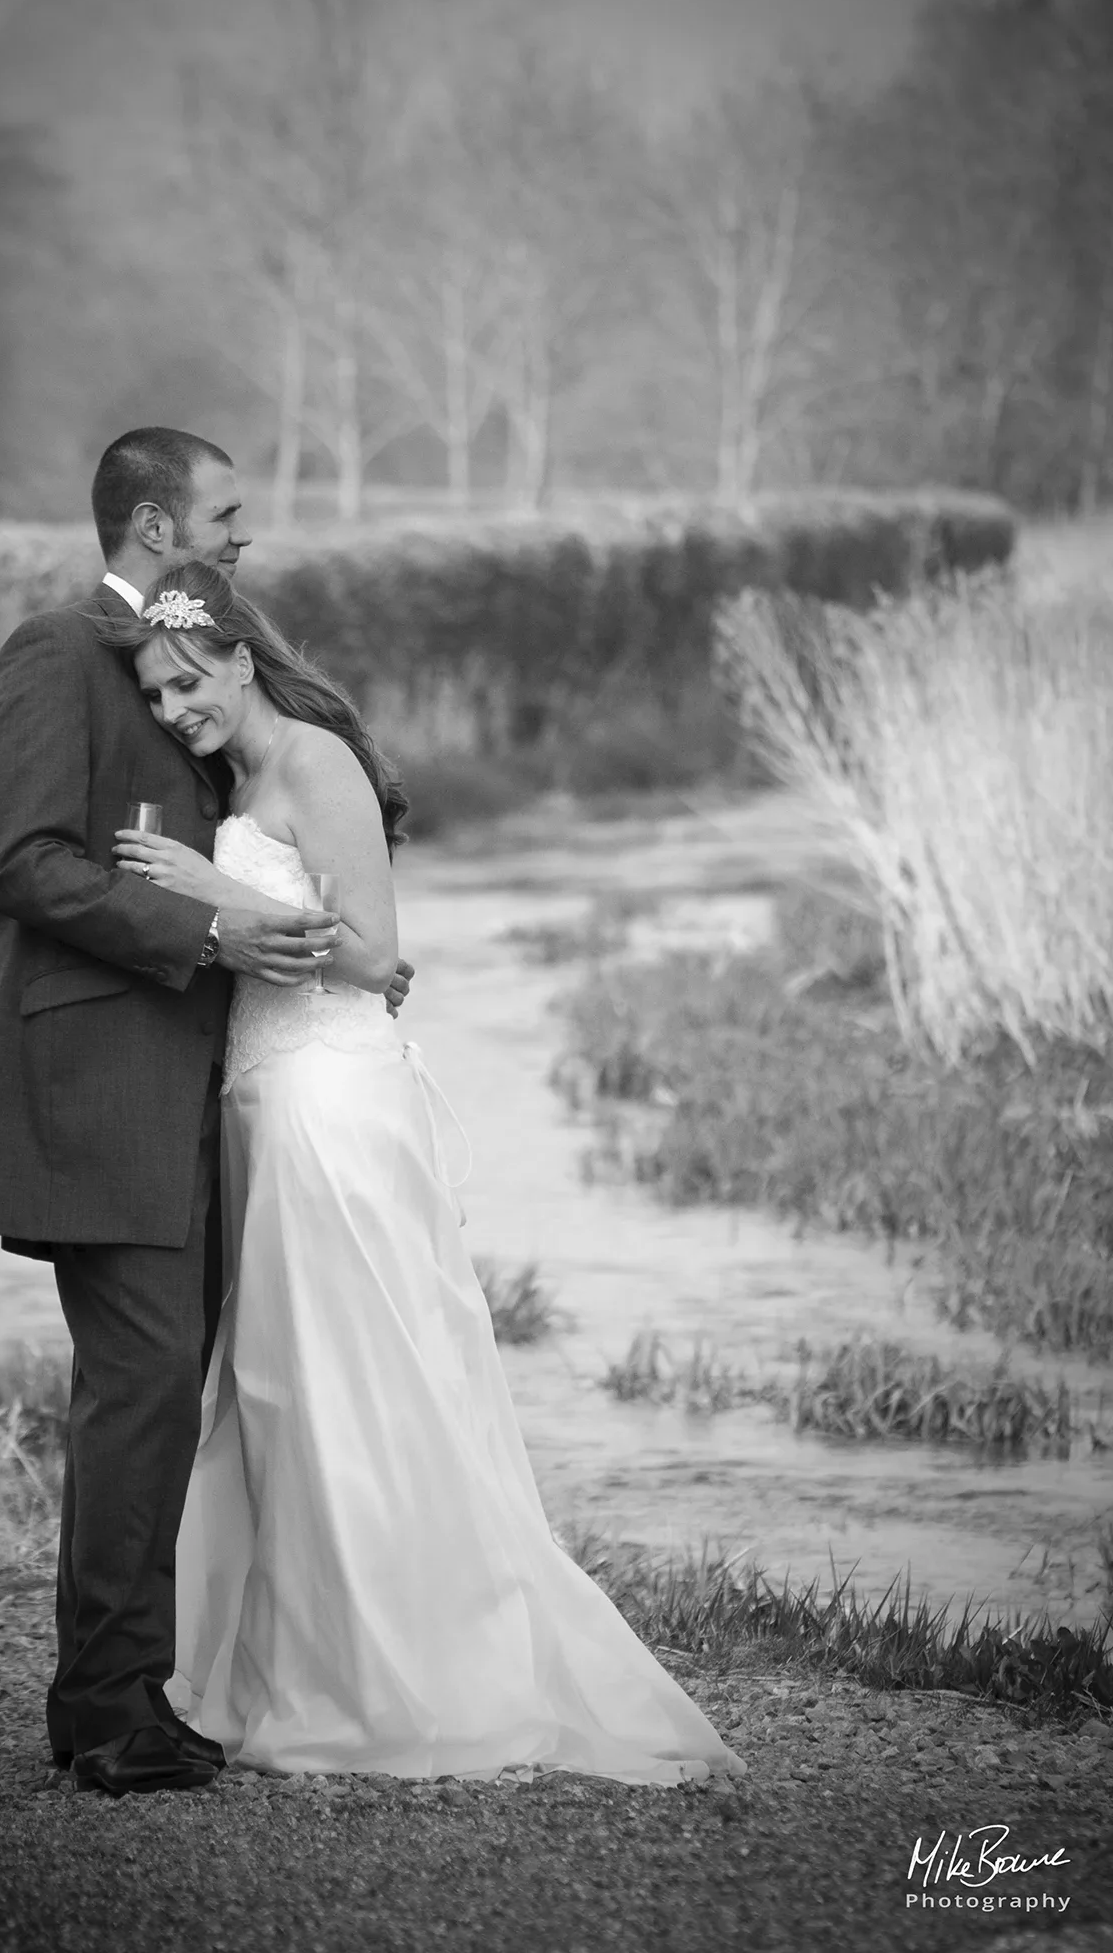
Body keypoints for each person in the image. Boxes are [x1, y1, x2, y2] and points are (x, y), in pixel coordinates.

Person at [102, 560, 746, 1787]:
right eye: (154, 692)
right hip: (260, 1103)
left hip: (331, 1107)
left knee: (361, 1384)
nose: (172, 707)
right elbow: (325, 952)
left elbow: (372, 955)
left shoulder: (316, 763)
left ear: (240, 659)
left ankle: (414, 1673)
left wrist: (205, 887)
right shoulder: (230, 776)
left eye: (186, 681)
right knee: (281, 1387)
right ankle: (301, 1662)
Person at [0, 427, 412, 1798]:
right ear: (154, 524)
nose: (240, 538)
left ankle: (133, 1690)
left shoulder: (198, 659)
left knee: (171, 1396)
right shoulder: (53, 651)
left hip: (220, 1093)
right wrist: (210, 942)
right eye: (222, 514)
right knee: (143, 1395)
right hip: (100, 1092)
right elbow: (25, 867)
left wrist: (342, 953)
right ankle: (109, 1714)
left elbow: (283, 860)